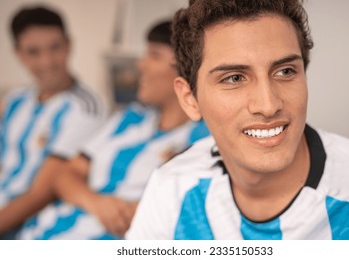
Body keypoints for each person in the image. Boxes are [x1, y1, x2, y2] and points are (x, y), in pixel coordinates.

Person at [127, 0, 349, 240]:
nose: (268, 105)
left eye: (285, 71)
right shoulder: (173, 184)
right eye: (234, 78)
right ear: (190, 100)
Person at [17, 20, 209, 240]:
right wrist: (98, 203)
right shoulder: (128, 119)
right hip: (40, 233)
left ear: (185, 72)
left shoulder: (203, 138)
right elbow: (64, 175)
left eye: (154, 55)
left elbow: (185, 211)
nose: (141, 64)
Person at [0, 6, 105, 238]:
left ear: (69, 45)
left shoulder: (85, 108)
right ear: (19, 54)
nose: (47, 61)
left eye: (55, 48)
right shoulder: (16, 100)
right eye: (34, 52)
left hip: (20, 225)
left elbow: (42, 193)